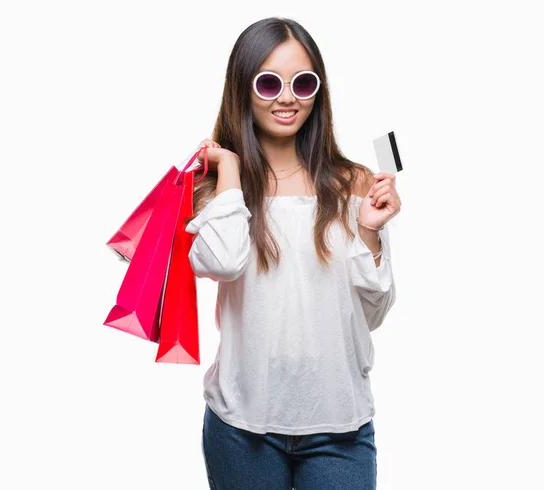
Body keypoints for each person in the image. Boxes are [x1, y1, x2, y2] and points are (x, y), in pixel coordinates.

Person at [184, 16, 401, 490]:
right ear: (242, 89)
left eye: (303, 83)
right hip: (240, 428)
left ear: (317, 91)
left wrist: (368, 233)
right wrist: (231, 173)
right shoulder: (214, 190)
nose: (287, 98)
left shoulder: (355, 183)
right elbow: (222, 262)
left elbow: (376, 311)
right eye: (268, 83)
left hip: (339, 428)